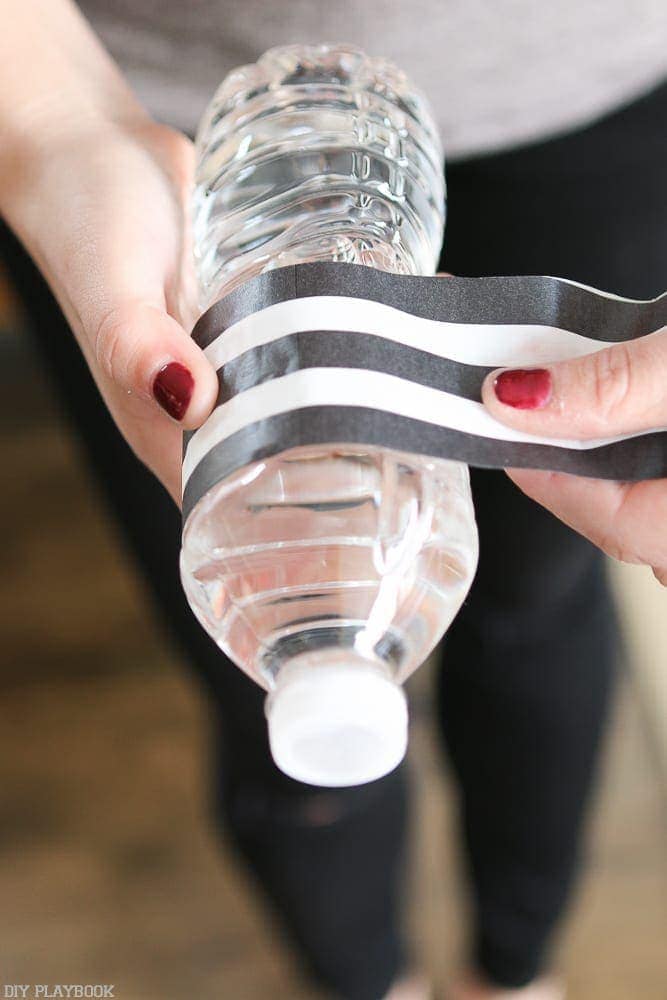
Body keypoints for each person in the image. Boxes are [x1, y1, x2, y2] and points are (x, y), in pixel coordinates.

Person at [1, 2, 665, 998]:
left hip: (588, 73)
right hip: (139, 98)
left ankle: (514, 972)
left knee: (540, 596)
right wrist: (52, 123)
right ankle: (368, 983)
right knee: (263, 704)